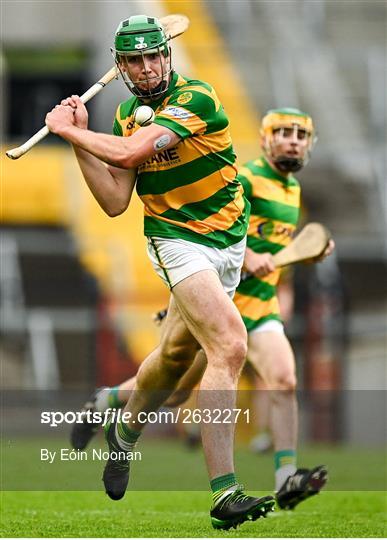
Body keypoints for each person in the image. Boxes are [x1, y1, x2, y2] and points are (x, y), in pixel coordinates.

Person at [46, 14, 275, 530]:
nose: (148, 68)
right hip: (176, 241)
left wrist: (70, 131)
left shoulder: (196, 98)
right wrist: (76, 139)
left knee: (175, 366)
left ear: (168, 56)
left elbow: (130, 152)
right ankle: (225, 494)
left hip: (228, 239)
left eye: (155, 56)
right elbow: (112, 201)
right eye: (135, 60)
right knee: (230, 346)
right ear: (122, 67)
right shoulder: (129, 114)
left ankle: (121, 432)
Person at [71, 107, 335, 511]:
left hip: (259, 307)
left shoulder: (293, 193)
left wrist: (301, 256)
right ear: (265, 139)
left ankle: (284, 479)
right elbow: (216, 226)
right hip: (221, 297)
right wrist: (246, 259)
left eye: (300, 135)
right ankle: (105, 401)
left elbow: (273, 249)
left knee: (284, 380)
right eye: (283, 133)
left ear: (310, 145)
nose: (292, 141)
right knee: (175, 389)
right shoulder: (245, 177)